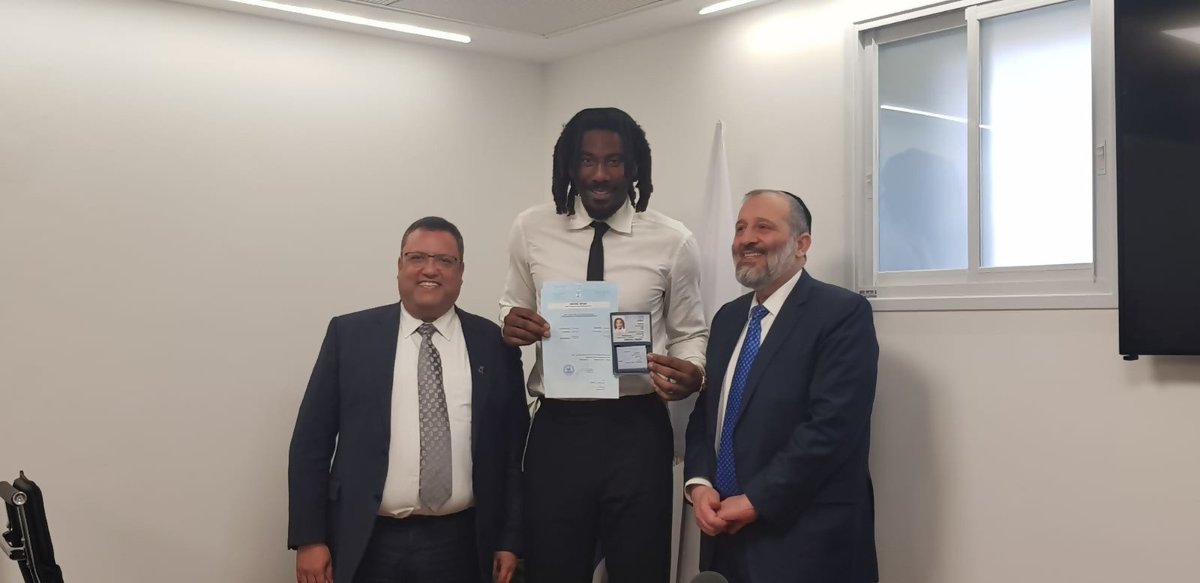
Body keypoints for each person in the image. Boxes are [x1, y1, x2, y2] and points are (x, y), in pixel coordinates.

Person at [499, 107, 708, 583]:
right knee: (553, 567)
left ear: (634, 169)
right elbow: (510, 305)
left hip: (636, 429)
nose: (599, 175)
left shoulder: (673, 241)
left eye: (614, 162)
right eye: (587, 160)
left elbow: (691, 331)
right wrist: (510, 323)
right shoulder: (531, 229)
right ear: (569, 166)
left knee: (640, 568)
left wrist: (693, 371)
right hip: (558, 428)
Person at [288, 217, 528, 583]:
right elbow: (311, 445)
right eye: (416, 257)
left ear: (461, 272)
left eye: (445, 261)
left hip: (463, 543)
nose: (429, 269)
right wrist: (310, 538)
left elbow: (514, 453)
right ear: (399, 266)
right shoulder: (349, 336)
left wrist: (510, 540)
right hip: (367, 540)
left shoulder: (493, 344)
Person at [684, 190, 879, 583]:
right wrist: (700, 484)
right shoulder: (727, 319)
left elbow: (832, 428)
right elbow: (707, 417)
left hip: (805, 539)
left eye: (763, 227)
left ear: (801, 244)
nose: (746, 239)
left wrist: (757, 500)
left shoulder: (841, 314)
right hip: (724, 537)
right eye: (740, 228)